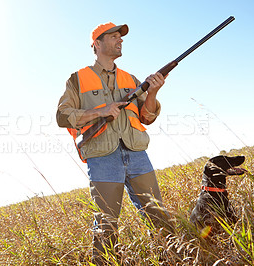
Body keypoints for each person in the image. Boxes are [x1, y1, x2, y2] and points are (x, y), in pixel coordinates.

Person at [56, 22, 171, 263]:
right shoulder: (77, 79)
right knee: (106, 226)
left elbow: (147, 117)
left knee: (159, 217)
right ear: (97, 44)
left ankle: (174, 258)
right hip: (103, 157)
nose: (120, 40)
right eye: (114, 36)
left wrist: (152, 93)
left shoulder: (131, 78)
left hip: (137, 154)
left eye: (121, 37)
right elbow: (62, 116)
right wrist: (101, 111)